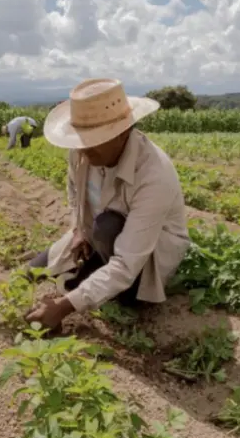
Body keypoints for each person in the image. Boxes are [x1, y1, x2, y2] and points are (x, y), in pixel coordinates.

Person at [24, 78, 191, 330]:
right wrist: (79, 228)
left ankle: (125, 295)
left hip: (143, 255)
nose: (83, 151)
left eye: (94, 140)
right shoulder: (81, 152)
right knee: (30, 272)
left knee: (107, 226)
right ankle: (94, 269)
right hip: (96, 237)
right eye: (80, 140)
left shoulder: (154, 175)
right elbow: (73, 192)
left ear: (123, 132)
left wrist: (64, 307)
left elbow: (126, 264)